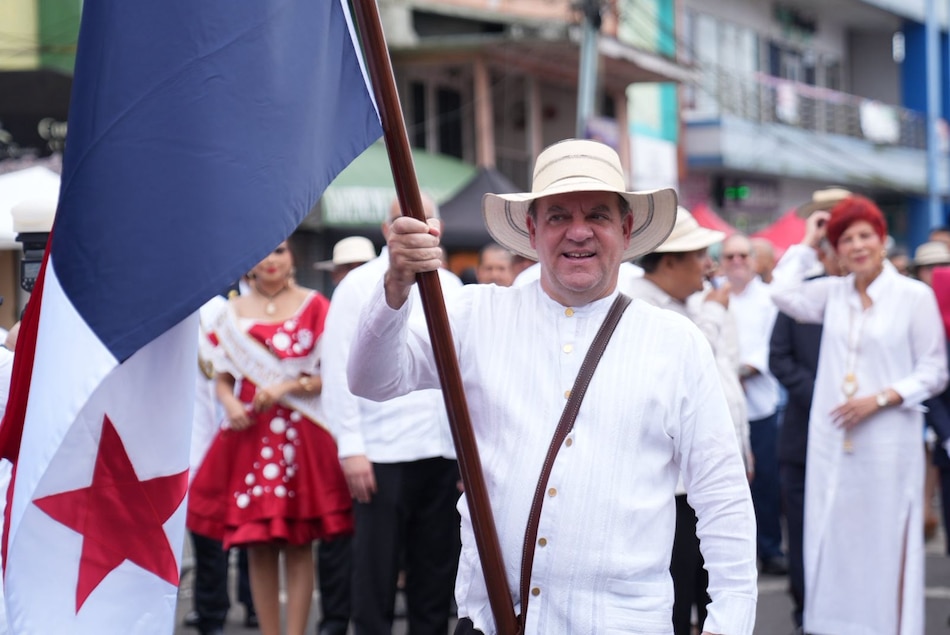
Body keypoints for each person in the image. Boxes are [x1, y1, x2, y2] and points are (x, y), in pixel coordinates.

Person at [346, 139, 757, 634]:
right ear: (531, 229)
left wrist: (727, 623)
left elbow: (723, 499)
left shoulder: (676, 342)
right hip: (495, 620)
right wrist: (396, 285)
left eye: (598, 216)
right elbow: (371, 379)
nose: (578, 232)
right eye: (558, 215)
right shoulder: (477, 315)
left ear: (625, 230)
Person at [770, 196, 949, 634]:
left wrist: (883, 398)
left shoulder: (913, 296)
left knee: (884, 541)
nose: (857, 246)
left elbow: (934, 371)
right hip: (834, 441)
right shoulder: (832, 295)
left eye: (865, 235)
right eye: (845, 239)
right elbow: (781, 291)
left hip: (889, 439)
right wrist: (809, 241)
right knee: (833, 534)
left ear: (882, 239)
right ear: (836, 250)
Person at [187, 240, 354, 635]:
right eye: (261, 252)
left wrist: (284, 389)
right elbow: (223, 378)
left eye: (279, 250)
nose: (270, 260)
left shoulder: (315, 305)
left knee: (298, 546)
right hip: (251, 434)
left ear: (291, 256)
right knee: (257, 547)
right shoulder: (230, 314)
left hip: (301, 435)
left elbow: (332, 375)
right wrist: (229, 403)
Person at [321, 194, 462, 635]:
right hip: (381, 451)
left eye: (426, 218)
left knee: (435, 575)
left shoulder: (453, 285)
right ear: (387, 229)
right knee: (375, 573)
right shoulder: (358, 284)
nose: (418, 228)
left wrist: (465, 452)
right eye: (406, 220)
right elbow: (337, 369)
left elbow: (464, 378)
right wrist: (351, 448)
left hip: (441, 450)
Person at [625, 207, 751, 635]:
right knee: (672, 599)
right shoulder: (639, 308)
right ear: (670, 260)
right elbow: (693, 369)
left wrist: (741, 452)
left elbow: (727, 388)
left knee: (709, 589)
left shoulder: (689, 303)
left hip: (704, 480)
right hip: (669, 489)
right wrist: (713, 316)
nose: (709, 265)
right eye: (699, 254)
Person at [768, 235, 843, 634]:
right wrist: (822, 394)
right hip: (802, 436)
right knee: (801, 531)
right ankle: (805, 613)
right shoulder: (803, 295)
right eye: (833, 243)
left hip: (855, 439)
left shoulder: (869, 297)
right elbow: (777, 356)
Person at [720, 233, 785, 575]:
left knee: (765, 483)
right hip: (722, 408)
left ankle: (770, 549)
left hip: (758, 405)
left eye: (742, 256)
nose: (736, 262)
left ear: (754, 261)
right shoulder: (713, 294)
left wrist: (733, 372)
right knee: (725, 487)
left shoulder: (768, 299)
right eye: (729, 256)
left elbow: (766, 350)